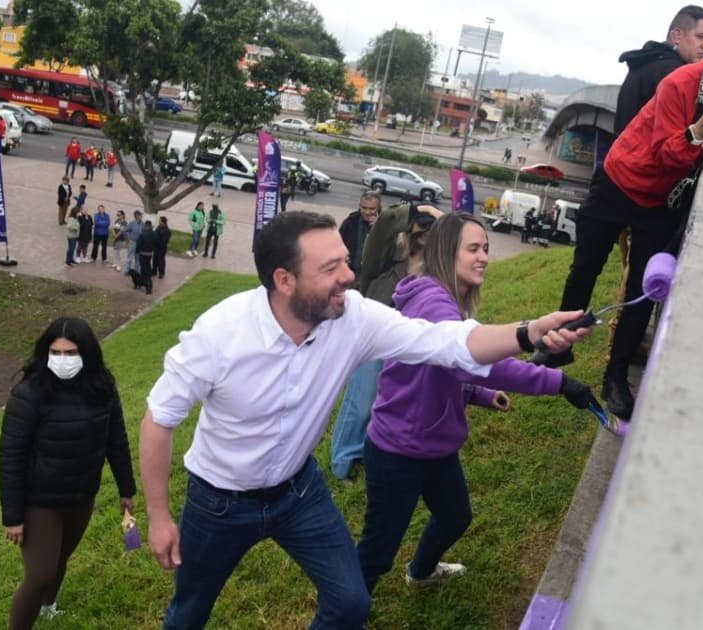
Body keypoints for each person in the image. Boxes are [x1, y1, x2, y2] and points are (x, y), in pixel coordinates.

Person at [139, 211, 591, 629]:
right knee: (189, 611)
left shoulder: (353, 317)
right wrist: (159, 516)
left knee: (352, 603)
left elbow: (444, 342)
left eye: (346, 261)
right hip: (219, 502)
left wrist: (527, 331)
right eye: (331, 268)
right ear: (284, 280)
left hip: (298, 493)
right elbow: (160, 418)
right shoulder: (219, 333)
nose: (349, 276)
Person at [561, 22, 703, 423]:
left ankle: (616, 377)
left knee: (643, 290)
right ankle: (557, 342)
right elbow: (664, 155)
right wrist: (696, 134)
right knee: (585, 267)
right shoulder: (679, 84)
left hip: (661, 203)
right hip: (619, 181)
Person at [356, 212, 599, 593]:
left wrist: (481, 395)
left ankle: (420, 572)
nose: (483, 256)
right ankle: (346, 613)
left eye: (485, 248)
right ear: (446, 252)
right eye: (473, 249)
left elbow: (451, 371)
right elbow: (482, 362)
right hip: (398, 450)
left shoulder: (448, 299)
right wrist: (559, 381)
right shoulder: (434, 302)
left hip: (435, 446)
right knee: (377, 550)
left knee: (455, 518)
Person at [535, 4, 703, 371]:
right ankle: (616, 375)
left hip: (611, 181)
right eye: (701, 37)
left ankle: (556, 347)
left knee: (584, 270)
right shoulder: (680, 76)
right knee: (641, 289)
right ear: (676, 35)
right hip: (651, 193)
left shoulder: (641, 66)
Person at [0, 317, 137, 628]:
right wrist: (13, 516)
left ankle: (50, 607)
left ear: (87, 353)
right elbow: (11, 455)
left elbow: (117, 438)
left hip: (81, 495)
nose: (63, 360)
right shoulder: (30, 392)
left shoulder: (103, 388)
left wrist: (126, 489)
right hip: (40, 501)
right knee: (40, 574)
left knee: (60, 557)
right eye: (56, 353)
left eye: (71, 353)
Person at [330, 200, 440, 481]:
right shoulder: (386, 258)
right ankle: (343, 463)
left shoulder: (436, 270)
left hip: (409, 340)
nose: (426, 231)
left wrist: (445, 221)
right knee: (362, 398)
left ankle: (368, 454)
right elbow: (385, 224)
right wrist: (415, 210)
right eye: (422, 225)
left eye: (432, 228)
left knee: (386, 400)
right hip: (376, 335)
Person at [338, 191, 380, 279]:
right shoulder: (350, 221)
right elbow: (338, 243)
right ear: (359, 206)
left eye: (372, 209)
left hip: (373, 277)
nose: (367, 212)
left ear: (378, 208)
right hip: (351, 273)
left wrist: (379, 227)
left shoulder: (385, 223)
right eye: (364, 208)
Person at [135, 220, 157, 294]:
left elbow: (139, 245)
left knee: (144, 270)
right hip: (149, 254)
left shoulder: (142, 235)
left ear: (146, 226)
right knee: (147, 267)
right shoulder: (154, 234)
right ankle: (148, 283)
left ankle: (147, 286)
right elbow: (155, 243)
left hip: (143, 254)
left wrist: (137, 251)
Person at [122, 210, 145, 275]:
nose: (141, 216)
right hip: (132, 242)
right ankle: (127, 270)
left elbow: (144, 233)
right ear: (137, 216)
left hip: (140, 243)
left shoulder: (143, 224)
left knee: (138, 257)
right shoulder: (132, 223)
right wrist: (129, 237)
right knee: (130, 257)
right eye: (140, 215)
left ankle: (138, 271)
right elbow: (125, 230)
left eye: (141, 215)